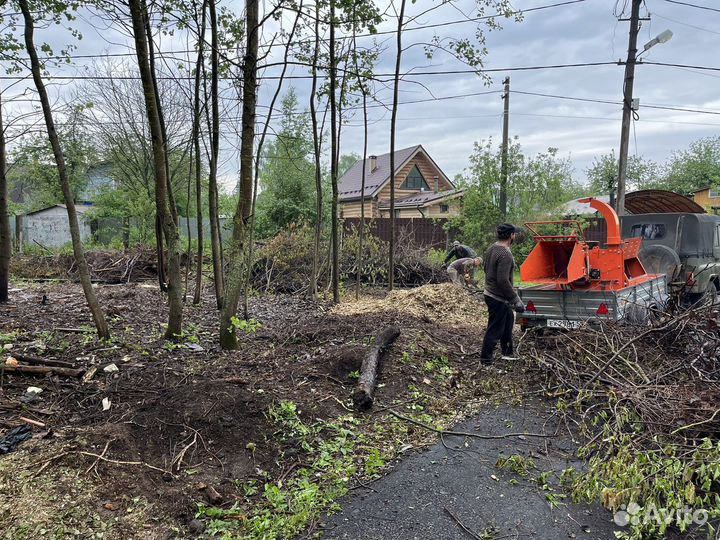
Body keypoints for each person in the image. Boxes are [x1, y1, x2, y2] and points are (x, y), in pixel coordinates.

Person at [479, 223, 525, 366]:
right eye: (514, 234)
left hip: (491, 293)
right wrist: (516, 299)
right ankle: (485, 361)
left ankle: (507, 353)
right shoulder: (505, 254)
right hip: (497, 297)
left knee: (508, 321)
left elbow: (486, 268)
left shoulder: (492, 248)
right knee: (495, 329)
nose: (515, 236)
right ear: (511, 235)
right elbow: (503, 280)